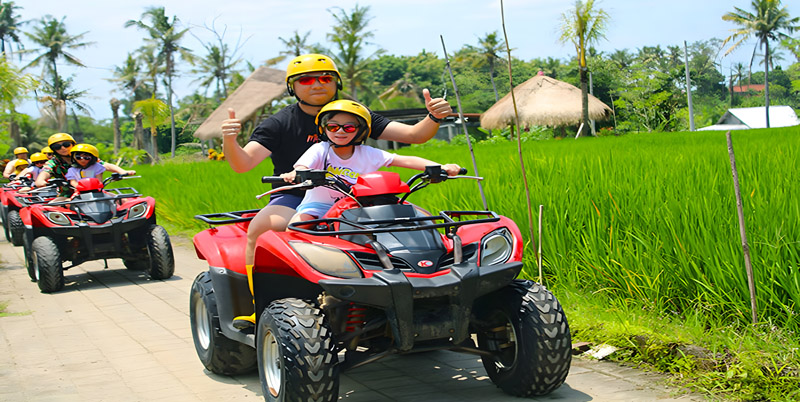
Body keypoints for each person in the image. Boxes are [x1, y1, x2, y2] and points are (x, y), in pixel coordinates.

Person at [221, 54, 452, 328]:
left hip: (358, 196)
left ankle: (415, 291)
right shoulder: (280, 122)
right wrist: (229, 139)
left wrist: (433, 117)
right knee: (263, 227)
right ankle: (258, 306)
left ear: (337, 82)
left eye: (325, 78)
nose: (317, 84)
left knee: (411, 225)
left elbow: (414, 136)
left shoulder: (353, 112)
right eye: (305, 79)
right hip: (298, 193)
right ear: (292, 87)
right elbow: (243, 163)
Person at [283, 100, 460, 224]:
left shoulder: (368, 153)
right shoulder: (320, 149)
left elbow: (404, 159)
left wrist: (441, 167)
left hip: (361, 207)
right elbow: (302, 166)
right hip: (319, 206)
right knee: (296, 227)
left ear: (360, 131)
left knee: (423, 217)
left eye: (349, 127)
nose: (340, 131)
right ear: (324, 128)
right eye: (333, 126)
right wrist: (296, 173)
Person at [35, 133, 135, 199]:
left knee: (122, 201)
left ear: (73, 144)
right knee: (52, 210)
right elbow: (45, 172)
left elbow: (105, 165)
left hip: (96, 192)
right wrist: (40, 181)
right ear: (53, 150)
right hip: (68, 195)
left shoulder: (86, 156)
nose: (62, 148)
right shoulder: (53, 162)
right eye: (57, 146)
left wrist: (122, 172)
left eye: (66, 144)